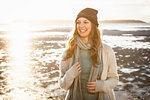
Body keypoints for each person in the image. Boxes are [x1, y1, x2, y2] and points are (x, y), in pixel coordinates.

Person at [59, 8, 119, 100]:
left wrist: (101, 85)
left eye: (86, 22)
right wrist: (71, 74)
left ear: (93, 25)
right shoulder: (69, 51)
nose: (81, 26)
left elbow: (114, 79)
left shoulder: (107, 50)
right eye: (78, 22)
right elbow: (63, 84)